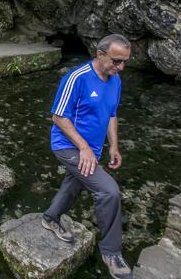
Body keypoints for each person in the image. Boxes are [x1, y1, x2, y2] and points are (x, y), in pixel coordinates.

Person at [42, 34, 133, 279]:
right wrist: (83, 148)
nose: (120, 67)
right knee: (108, 191)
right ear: (100, 54)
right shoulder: (76, 78)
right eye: (116, 61)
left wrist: (114, 146)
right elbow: (58, 117)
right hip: (68, 146)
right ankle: (111, 252)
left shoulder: (116, 79)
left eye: (125, 62)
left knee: (76, 182)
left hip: (93, 149)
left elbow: (111, 114)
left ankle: (50, 217)